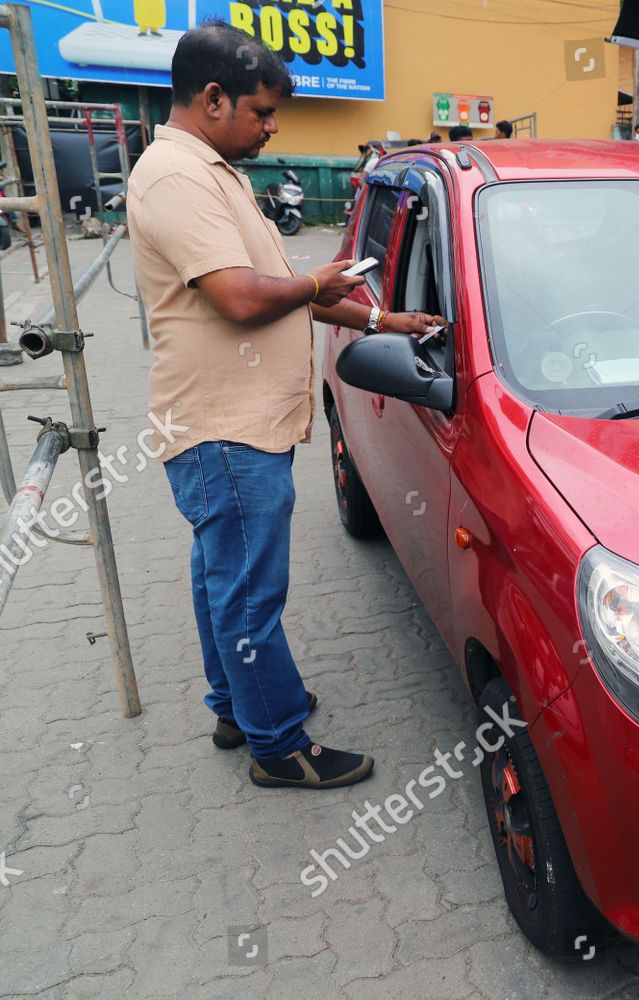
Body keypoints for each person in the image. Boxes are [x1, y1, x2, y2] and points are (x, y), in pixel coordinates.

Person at [127, 21, 444, 790]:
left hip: (234, 427)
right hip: (224, 431)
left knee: (220, 580)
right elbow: (243, 299)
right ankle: (278, 743)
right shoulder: (176, 177)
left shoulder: (214, 171)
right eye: (263, 112)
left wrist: (384, 321)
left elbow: (288, 294)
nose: (272, 128)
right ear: (212, 98)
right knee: (247, 591)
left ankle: (238, 705)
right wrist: (314, 288)